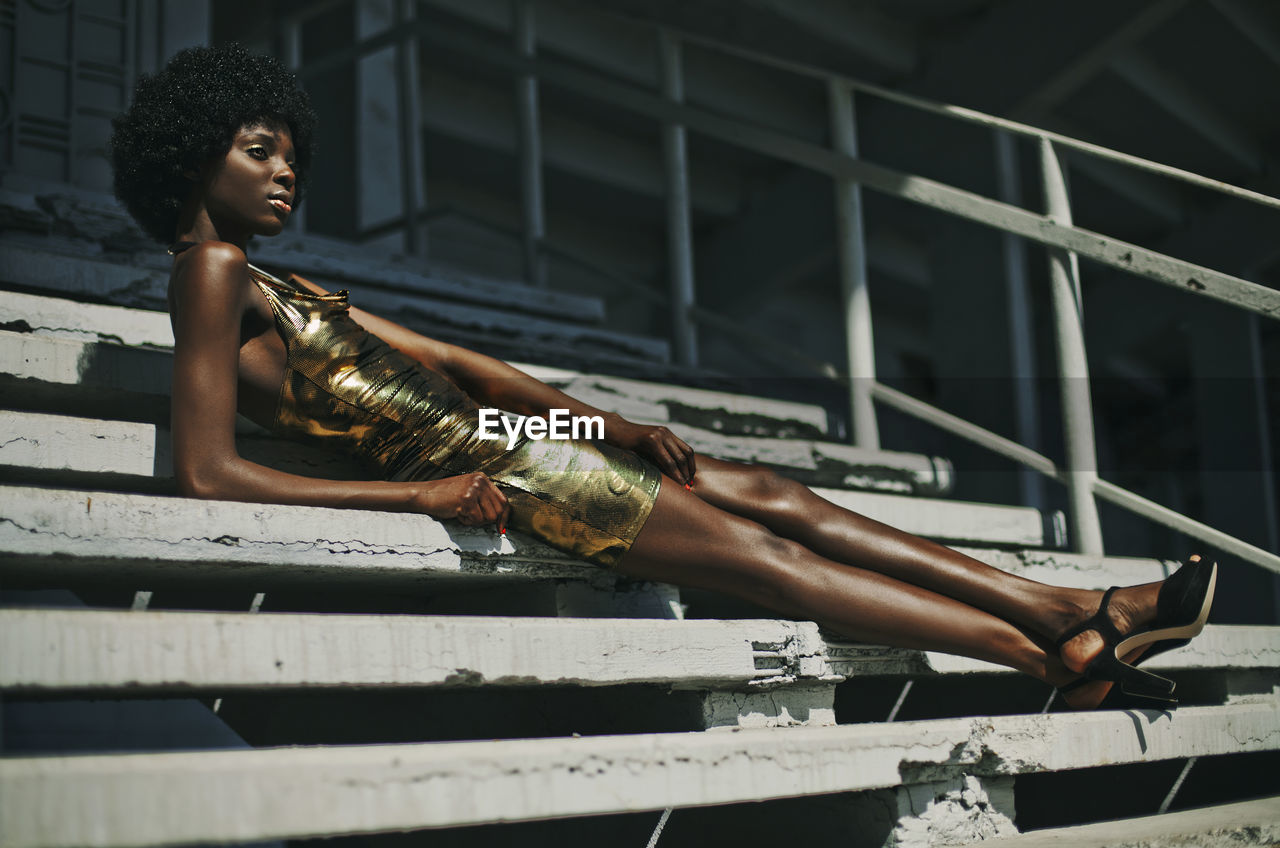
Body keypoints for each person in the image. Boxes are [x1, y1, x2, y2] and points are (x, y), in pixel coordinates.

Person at [110, 43, 1217, 712]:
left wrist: (605, 422)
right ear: (191, 155)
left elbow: (448, 362)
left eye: (288, 151)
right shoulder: (207, 272)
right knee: (768, 556)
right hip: (499, 471)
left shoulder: (276, 279)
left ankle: (1072, 605)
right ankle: (1046, 653)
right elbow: (209, 476)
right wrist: (421, 495)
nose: (286, 168)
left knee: (778, 496)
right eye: (259, 149)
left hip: (519, 440)